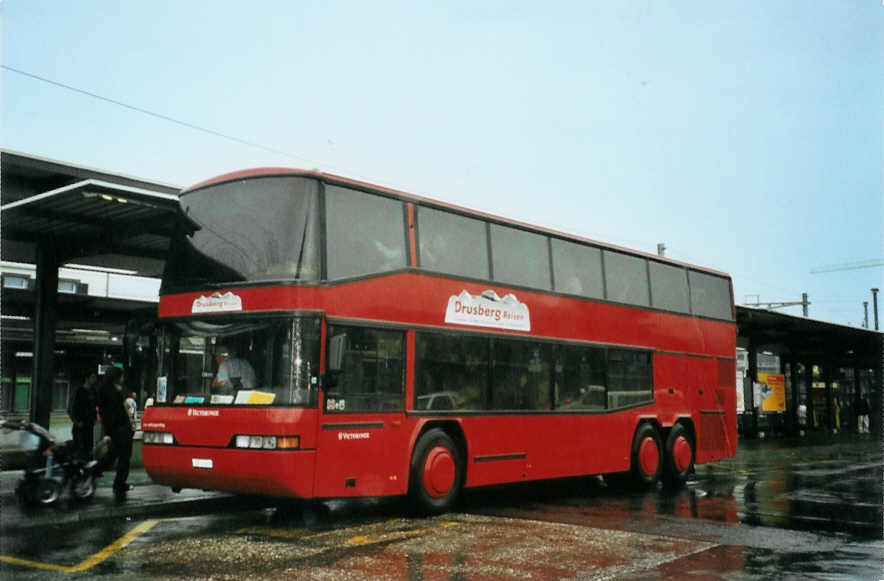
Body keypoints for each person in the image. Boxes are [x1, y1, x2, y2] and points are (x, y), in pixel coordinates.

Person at [95, 366, 134, 497]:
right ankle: (119, 484)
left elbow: (104, 413)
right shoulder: (114, 392)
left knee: (111, 456)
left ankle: (93, 471)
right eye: (121, 376)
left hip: (112, 430)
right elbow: (119, 412)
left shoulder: (102, 390)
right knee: (124, 458)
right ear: (116, 377)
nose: (123, 379)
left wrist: (108, 431)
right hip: (121, 430)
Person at [69, 372, 98, 460]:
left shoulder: (93, 391)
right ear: (87, 378)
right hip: (80, 425)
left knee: (88, 447)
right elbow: (71, 408)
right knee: (79, 447)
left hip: (89, 424)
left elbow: (94, 406)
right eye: (92, 377)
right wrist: (77, 422)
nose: (95, 380)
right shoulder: (79, 391)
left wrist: (94, 418)